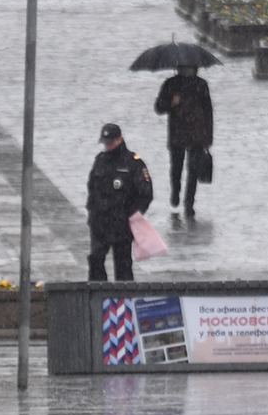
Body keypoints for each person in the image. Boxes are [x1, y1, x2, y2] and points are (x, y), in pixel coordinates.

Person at [86, 122, 155, 281]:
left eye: (111, 142)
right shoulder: (100, 161)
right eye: (105, 143)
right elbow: (92, 189)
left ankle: (124, 300)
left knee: (123, 265)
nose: (108, 146)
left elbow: (145, 193)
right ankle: (98, 297)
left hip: (122, 225)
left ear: (120, 139)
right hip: (100, 223)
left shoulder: (133, 163)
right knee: (95, 259)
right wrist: (93, 213)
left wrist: (131, 215)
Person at [153, 65, 213, 217]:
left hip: (197, 134)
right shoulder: (171, 84)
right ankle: (176, 192)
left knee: (193, 169)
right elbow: (159, 107)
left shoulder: (201, 85)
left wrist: (208, 136)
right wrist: (171, 103)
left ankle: (189, 202)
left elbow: (208, 111)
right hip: (177, 133)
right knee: (176, 168)